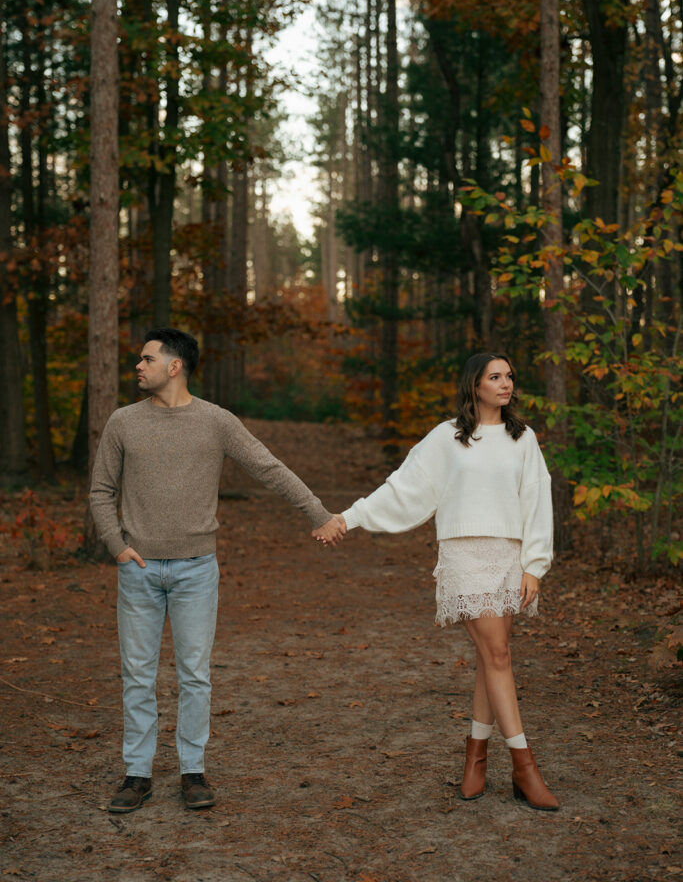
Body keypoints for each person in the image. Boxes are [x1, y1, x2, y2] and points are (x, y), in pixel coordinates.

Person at [90, 327, 344, 814]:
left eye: (146, 359)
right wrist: (116, 546)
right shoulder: (122, 422)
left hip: (196, 571)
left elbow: (269, 468)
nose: (137, 367)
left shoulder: (216, 422)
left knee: (194, 675)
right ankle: (137, 775)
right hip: (138, 569)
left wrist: (319, 514)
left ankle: (192, 772)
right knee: (137, 676)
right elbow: (100, 490)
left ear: (175, 365)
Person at [314, 352, 558, 811]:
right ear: (475, 386)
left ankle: (476, 760)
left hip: (508, 555)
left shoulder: (522, 438)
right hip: (464, 555)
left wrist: (534, 565)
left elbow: (537, 498)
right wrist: (347, 518)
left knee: (492, 658)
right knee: (499, 654)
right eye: (495, 376)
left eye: (509, 375)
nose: (505, 384)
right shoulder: (447, 438)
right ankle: (525, 768)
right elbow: (402, 488)